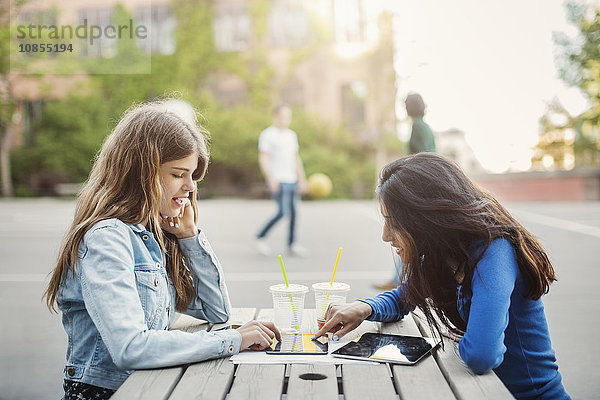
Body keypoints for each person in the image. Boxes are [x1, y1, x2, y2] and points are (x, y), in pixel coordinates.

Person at [43, 99, 280, 400]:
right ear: (140, 172)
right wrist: (233, 340)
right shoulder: (107, 239)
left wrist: (189, 237)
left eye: (193, 175)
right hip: (108, 393)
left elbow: (216, 311)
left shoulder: (152, 234)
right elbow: (131, 347)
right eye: (178, 174)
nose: (191, 187)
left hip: (151, 388)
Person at [315, 153, 570, 400]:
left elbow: (482, 355)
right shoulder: (444, 253)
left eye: (393, 222)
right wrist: (363, 308)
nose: (385, 235)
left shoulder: (494, 251)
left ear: (425, 218)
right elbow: (404, 297)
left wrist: (462, 337)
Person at [374, 92, 436, 291]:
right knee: (407, 235)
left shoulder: (418, 127)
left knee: (406, 234)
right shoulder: (423, 126)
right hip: (424, 186)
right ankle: (398, 279)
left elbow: (423, 158)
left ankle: (400, 281)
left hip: (419, 189)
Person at [254, 104, 308, 257]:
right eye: (283, 117)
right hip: (278, 180)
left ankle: (292, 244)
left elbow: (296, 158)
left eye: (288, 117)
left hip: (292, 180)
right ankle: (260, 237)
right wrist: (270, 179)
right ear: (276, 116)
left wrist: (302, 179)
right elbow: (263, 158)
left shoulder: (291, 135)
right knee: (283, 212)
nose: (286, 120)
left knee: (294, 213)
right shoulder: (268, 135)